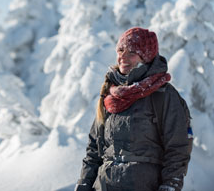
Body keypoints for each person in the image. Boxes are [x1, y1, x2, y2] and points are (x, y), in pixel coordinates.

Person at [75, 27, 193, 191]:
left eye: (131, 53)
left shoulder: (163, 95)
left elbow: (178, 149)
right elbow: (94, 149)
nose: (123, 57)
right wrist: (84, 182)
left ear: (145, 58)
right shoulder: (110, 96)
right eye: (121, 50)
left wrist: (170, 185)